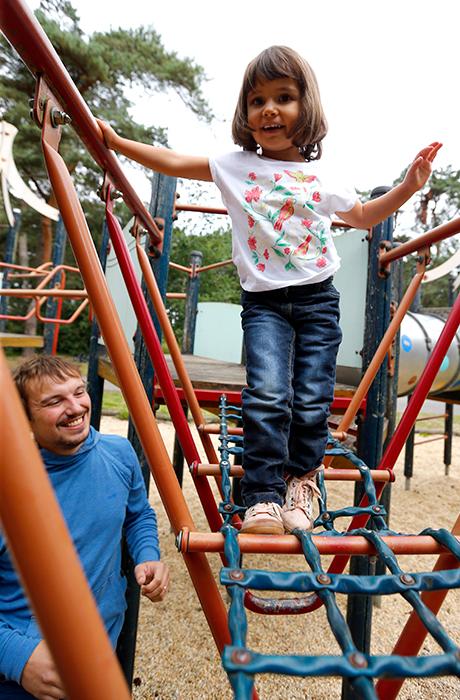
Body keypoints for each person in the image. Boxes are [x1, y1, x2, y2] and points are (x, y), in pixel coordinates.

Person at [96, 45, 441, 537]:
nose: (269, 109)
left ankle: (302, 478)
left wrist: (409, 186)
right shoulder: (233, 166)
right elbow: (173, 161)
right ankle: (260, 494)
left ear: (308, 107)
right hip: (264, 305)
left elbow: (364, 216)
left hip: (318, 300)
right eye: (257, 101)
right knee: (268, 394)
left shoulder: (322, 177)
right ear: (246, 115)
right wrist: (118, 143)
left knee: (313, 399)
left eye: (284, 97)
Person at [0, 356, 169, 699]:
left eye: (78, 392)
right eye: (53, 401)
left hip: (98, 650)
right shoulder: (10, 486)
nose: (75, 406)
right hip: (24, 669)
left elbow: (138, 515)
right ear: (24, 419)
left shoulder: (119, 454)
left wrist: (147, 554)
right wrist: (16, 658)